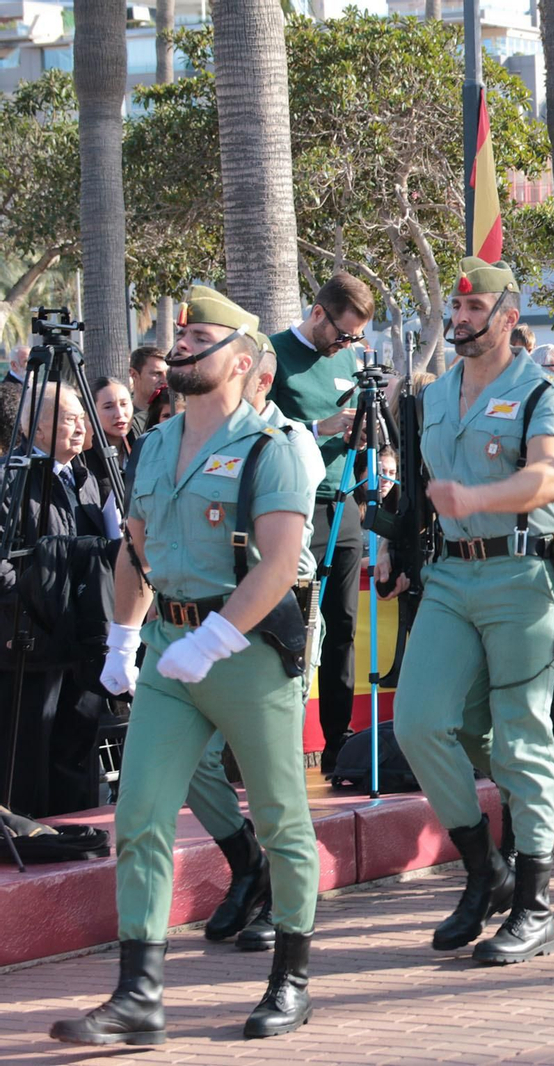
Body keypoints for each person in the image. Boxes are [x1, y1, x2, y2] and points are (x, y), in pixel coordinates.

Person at [50, 286, 319, 1045]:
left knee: (281, 820)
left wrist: (216, 639)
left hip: (248, 649)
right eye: (180, 335)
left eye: (199, 335)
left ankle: (292, 979)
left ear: (241, 361)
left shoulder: (277, 444)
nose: (180, 344)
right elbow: (133, 548)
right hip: (171, 646)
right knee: (139, 815)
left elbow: (278, 565)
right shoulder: (158, 442)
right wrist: (121, 641)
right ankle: (139, 995)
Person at [388, 257, 554, 965]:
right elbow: (417, 482)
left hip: (521, 574)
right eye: (459, 309)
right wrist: (398, 539)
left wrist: (478, 500)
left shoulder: (544, 395)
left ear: (508, 318)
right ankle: (484, 870)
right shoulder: (434, 394)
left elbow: (549, 476)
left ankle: (534, 904)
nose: (463, 319)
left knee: (521, 738)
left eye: (477, 310)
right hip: (448, 575)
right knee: (417, 723)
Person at [181, 337, 325, 953]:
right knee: (194, 763)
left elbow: (285, 552)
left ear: (258, 380)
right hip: (203, 620)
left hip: (273, 622)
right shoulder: (186, 439)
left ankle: (281, 903)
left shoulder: (288, 442)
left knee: (275, 776)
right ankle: (248, 865)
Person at [265, 272, 376, 777]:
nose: (348, 345)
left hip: (343, 504)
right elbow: (257, 428)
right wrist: (316, 428)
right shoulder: (273, 354)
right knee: (291, 628)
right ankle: (276, 746)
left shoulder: (349, 360)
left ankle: (338, 745)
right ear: (317, 313)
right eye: (343, 334)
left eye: (355, 338)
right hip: (293, 508)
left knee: (344, 628)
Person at [0, 383, 117, 819]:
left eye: (82, 416)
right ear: (34, 425)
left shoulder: (86, 479)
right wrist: (30, 610)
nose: (81, 425)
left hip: (83, 641)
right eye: (69, 417)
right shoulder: (12, 478)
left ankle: (78, 836)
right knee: (28, 760)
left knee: (76, 752)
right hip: (32, 644)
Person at [126, 345, 169, 437]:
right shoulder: (125, 419)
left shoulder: (178, 412)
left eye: (168, 373)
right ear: (134, 374)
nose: (165, 380)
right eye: (157, 374)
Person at [93, 377, 137, 461]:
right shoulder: (84, 458)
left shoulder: (143, 447)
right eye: (108, 407)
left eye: (124, 404)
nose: (119, 414)